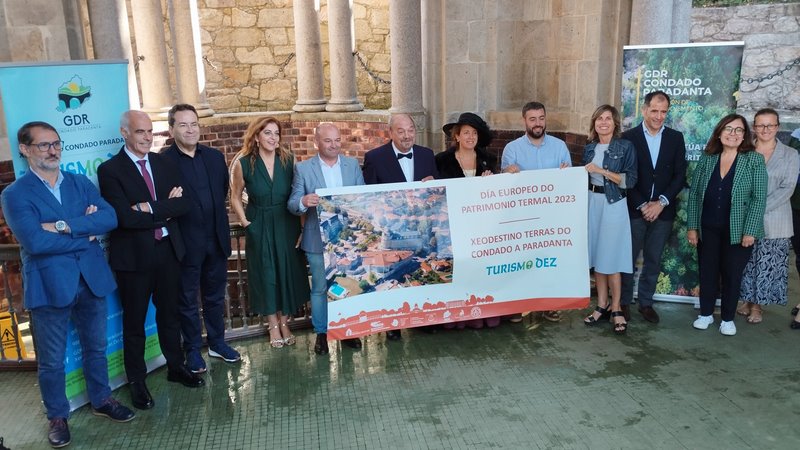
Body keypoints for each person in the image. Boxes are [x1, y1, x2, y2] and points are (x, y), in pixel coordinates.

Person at [2, 121, 135, 448]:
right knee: (51, 360)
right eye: (44, 145)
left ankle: (101, 399)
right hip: (49, 285)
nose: (53, 151)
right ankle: (58, 416)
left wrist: (62, 226)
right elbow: (35, 242)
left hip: (91, 279)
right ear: (25, 149)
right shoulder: (15, 194)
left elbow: (110, 218)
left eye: (56, 144)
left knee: (96, 348)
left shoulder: (79, 182)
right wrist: (84, 232)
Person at [98, 110, 204, 413]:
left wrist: (148, 207)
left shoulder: (163, 162)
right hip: (134, 260)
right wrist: (164, 209)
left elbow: (185, 203)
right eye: (140, 132)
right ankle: (137, 381)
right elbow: (124, 218)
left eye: (149, 132)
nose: (147, 137)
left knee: (170, 315)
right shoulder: (110, 170)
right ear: (124, 133)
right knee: (134, 324)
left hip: (168, 252)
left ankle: (176, 367)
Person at [160, 104, 241, 373]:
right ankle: (193, 349)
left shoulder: (215, 157)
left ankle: (217, 343)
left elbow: (221, 192)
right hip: (185, 244)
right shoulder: (163, 162)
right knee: (187, 301)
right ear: (171, 129)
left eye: (194, 124)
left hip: (215, 240)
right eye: (183, 125)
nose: (190, 129)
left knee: (215, 297)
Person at [230, 117, 309, 348]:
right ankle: (273, 325)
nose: (273, 138)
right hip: (259, 223)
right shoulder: (244, 163)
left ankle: (285, 323)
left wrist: (302, 227)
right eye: (267, 133)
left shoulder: (289, 160)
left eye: (276, 133)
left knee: (287, 272)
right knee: (266, 275)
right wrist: (246, 223)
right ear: (256, 136)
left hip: (287, 223)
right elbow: (235, 196)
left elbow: (298, 193)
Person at [686, 114, 767, 336]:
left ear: (745, 135)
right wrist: (692, 227)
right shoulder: (707, 159)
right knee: (708, 271)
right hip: (708, 227)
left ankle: (728, 319)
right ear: (719, 133)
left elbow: (759, 198)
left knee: (732, 274)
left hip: (739, 231)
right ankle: (705, 314)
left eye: (739, 130)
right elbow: (695, 195)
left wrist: (750, 230)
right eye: (728, 129)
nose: (733, 134)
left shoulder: (754, 160)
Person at [288, 123, 365, 354]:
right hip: (316, 240)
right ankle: (321, 333)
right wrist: (304, 202)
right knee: (321, 288)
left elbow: (363, 196)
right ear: (316, 143)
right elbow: (292, 204)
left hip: (347, 239)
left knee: (347, 284)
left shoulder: (352, 165)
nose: (334, 145)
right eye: (328, 140)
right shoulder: (303, 168)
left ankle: (347, 330)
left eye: (337, 140)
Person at [362, 113, 438, 340]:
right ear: (391, 133)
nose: (407, 136)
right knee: (392, 277)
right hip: (392, 230)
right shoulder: (374, 157)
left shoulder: (427, 155)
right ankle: (392, 324)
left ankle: (420, 320)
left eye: (410, 130)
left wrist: (434, 185)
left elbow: (437, 192)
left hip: (420, 229)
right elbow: (369, 197)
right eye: (401, 131)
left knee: (417, 275)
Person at [501, 101, 572, 323]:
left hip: (551, 216)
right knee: (520, 261)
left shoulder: (560, 147)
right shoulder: (512, 149)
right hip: (522, 217)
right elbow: (502, 185)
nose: (538, 123)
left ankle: (548, 305)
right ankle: (518, 305)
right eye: (532, 119)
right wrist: (507, 173)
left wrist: (566, 174)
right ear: (524, 120)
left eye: (541, 118)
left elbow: (569, 182)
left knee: (548, 261)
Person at [621, 90, 687, 324]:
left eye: (664, 112)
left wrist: (661, 203)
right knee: (627, 259)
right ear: (644, 110)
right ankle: (623, 302)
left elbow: (680, 175)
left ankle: (646, 303)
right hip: (634, 209)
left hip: (663, 211)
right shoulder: (628, 137)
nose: (659, 116)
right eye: (654, 111)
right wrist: (642, 205)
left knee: (653, 259)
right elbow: (624, 175)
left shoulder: (675, 138)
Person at [436, 112, 499, 329]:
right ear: (457, 136)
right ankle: (457, 315)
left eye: (474, 133)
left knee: (479, 268)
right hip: (453, 225)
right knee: (458, 268)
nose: (470, 137)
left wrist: (494, 181)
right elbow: (438, 192)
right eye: (466, 133)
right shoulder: (441, 160)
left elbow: (497, 193)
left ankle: (480, 313)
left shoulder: (489, 160)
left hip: (481, 225)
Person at [736, 109, 799, 324]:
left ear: (777, 127)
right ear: (754, 127)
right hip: (744, 217)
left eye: (770, 125)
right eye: (760, 125)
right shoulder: (744, 150)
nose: (765, 129)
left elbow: (788, 188)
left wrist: (758, 209)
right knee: (746, 263)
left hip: (776, 218)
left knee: (766, 264)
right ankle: (746, 300)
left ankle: (758, 306)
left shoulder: (790, 154)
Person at [582, 105, 637, 335]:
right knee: (598, 255)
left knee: (612, 257)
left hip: (613, 203)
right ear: (594, 123)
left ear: (615, 123)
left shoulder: (625, 147)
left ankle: (616, 308)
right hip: (592, 202)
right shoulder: (589, 148)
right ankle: (602, 304)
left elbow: (630, 180)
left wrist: (601, 170)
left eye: (608, 118)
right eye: (599, 118)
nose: (603, 122)